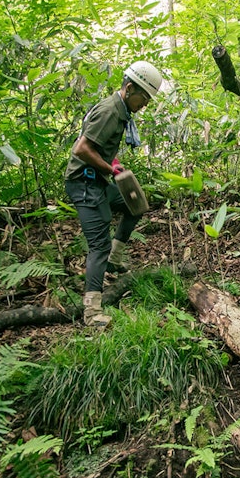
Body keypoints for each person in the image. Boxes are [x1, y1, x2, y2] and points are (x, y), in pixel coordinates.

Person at [64, 60, 164, 327]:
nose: (145, 104)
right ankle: (92, 313)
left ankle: (115, 260)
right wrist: (112, 171)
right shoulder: (110, 111)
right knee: (98, 245)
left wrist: (115, 164)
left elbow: (102, 145)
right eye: (144, 97)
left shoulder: (120, 112)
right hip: (83, 184)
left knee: (136, 205)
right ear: (130, 88)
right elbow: (82, 149)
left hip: (96, 181)